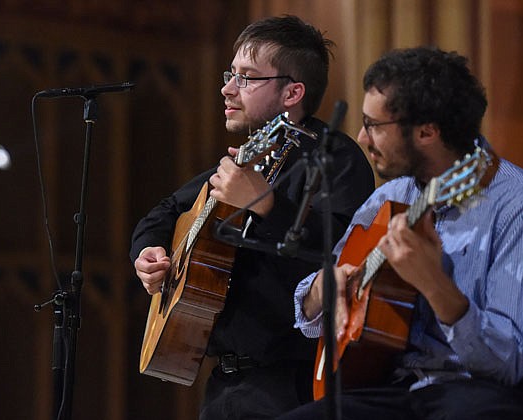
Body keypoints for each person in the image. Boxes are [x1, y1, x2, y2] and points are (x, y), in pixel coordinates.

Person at [279, 47, 523, 420]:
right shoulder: (391, 197)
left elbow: (505, 366)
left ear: (427, 132)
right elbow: (311, 308)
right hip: (404, 388)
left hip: (505, 395)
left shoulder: (521, 206)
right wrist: (324, 288)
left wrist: (434, 282)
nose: (361, 139)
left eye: (373, 126)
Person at [129, 15, 376, 420]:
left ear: (292, 92)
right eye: (231, 74)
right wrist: (149, 252)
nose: (227, 88)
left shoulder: (334, 158)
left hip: (296, 385)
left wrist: (267, 207)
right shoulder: (247, 159)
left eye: (246, 77)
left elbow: (345, 255)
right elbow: (165, 211)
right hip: (224, 387)